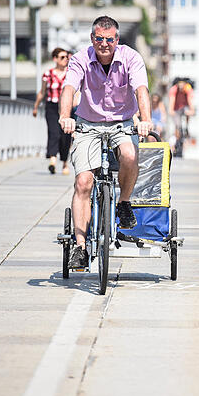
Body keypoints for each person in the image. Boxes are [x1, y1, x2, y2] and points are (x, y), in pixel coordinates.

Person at [58, 15, 153, 269]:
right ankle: (79, 248)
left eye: (109, 39)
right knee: (83, 181)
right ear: (92, 39)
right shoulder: (80, 59)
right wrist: (65, 116)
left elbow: (141, 89)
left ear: (117, 40)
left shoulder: (131, 58)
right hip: (88, 125)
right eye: (99, 38)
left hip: (122, 123)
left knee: (130, 155)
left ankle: (123, 203)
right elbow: (68, 89)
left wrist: (146, 119)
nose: (104, 44)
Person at [33, 47, 72, 175]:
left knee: (65, 135)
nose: (65, 60)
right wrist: (36, 106)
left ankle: (65, 162)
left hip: (66, 107)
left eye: (66, 57)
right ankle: (53, 161)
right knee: (53, 132)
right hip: (52, 106)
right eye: (62, 57)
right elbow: (42, 92)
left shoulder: (71, 73)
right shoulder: (48, 74)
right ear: (55, 59)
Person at [167, 78, 194, 142]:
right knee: (177, 124)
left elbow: (189, 100)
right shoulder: (173, 89)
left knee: (187, 111)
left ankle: (187, 127)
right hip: (176, 108)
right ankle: (177, 137)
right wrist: (171, 110)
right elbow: (172, 101)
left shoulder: (188, 88)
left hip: (184, 107)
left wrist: (192, 110)